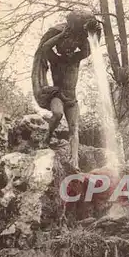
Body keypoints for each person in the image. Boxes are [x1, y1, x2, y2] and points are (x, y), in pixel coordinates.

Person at [32, 11, 101, 172]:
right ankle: (47, 137)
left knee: (74, 128)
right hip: (57, 94)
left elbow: (87, 50)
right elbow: (45, 47)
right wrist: (62, 34)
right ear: (61, 48)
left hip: (72, 98)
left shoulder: (76, 60)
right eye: (66, 47)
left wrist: (88, 32)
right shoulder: (56, 60)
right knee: (57, 114)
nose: (69, 49)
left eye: (72, 47)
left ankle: (74, 160)